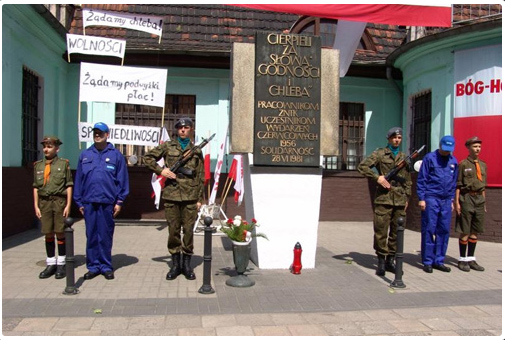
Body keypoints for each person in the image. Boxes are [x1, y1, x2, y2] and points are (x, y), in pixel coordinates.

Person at [143, 117, 205, 280]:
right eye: (180, 128)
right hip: (172, 195)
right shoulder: (167, 146)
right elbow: (147, 158)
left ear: (191, 130)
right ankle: (176, 265)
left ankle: (187, 265)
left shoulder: (197, 150)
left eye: (186, 127)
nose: (183, 130)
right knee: (173, 232)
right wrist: (161, 171)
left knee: (189, 232)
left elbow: (200, 175)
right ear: (177, 130)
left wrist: (199, 199)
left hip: (190, 197)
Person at [73, 122, 129, 280]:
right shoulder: (85, 155)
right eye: (95, 132)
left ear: (107, 134)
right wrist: (79, 202)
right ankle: (93, 266)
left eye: (101, 132)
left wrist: (119, 201)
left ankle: (105, 266)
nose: (97, 135)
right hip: (89, 202)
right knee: (91, 235)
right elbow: (79, 181)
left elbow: (122, 180)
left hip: (107, 202)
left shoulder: (116, 155)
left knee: (105, 235)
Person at [357, 127, 412, 276]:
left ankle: (390, 261)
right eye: (394, 137)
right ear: (388, 139)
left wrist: (407, 197)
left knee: (396, 232)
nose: (397, 140)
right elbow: (362, 166)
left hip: (399, 199)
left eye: (399, 138)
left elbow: (407, 179)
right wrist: (377, 177)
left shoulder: (404, 157)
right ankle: (381, 261)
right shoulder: (380, 154)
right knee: (381, 231)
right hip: (383, 199)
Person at [33, 136, 73, 279]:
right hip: (44, 203)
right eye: (44, 146)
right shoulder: (38, 165)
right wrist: (36, 205)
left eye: (49, 146)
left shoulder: (63, 164)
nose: (46, 149)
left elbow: (68, 185)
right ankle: (51, 263)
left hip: (59, 202)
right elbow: (36, 187)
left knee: (60, 232)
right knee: (48, 233)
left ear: (57, 148)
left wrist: (68, 204)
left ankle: (61, 263)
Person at [417, 135, 458, 273]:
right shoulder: (430, 158)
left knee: (444, 230)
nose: (447, 152)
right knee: (429, 229)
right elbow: (422, 179)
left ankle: (439, 260)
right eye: (445, 149)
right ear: (440, 146)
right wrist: (421, 198)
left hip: (446, 200)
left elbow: (453, 182)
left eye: (449, 150)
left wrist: (452, 199)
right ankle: (428, 261)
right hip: (431, 197)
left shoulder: (453, 161)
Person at [454, 136, 486, 272]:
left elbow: (483, 186)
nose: (477, 149)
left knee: (475, 230)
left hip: (479, 199)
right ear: (468, 148)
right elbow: (458, 185)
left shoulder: (483, 165)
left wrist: (484, 203)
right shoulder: (463, 164)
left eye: (479, 146)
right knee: (465, 230)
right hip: (467, 198)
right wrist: (456, 202)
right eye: (474, 146)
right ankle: (462, 260)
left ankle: (471, 259)